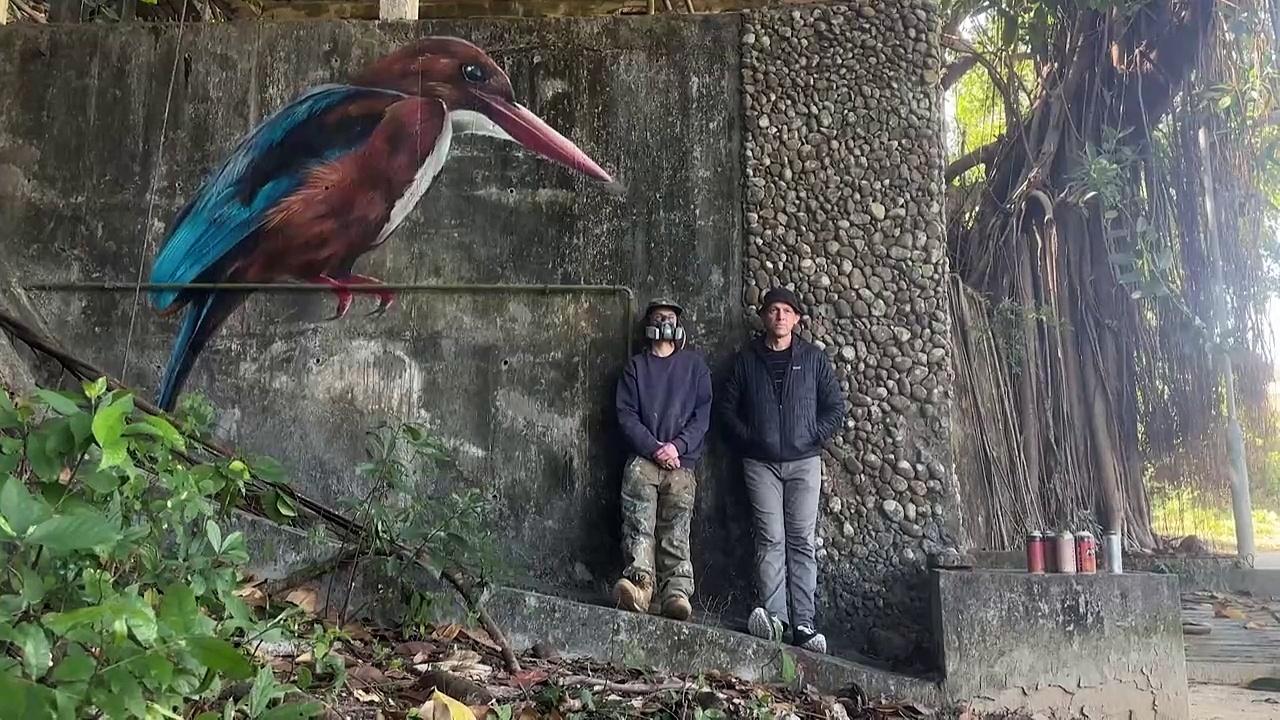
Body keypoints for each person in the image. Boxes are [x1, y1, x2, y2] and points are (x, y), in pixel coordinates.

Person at [718, 287, 844, 653]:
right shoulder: (746, 360)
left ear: (797, 319)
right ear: (764, 317)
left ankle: (804, 624)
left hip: (805, 463)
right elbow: (727, 410)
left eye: (787, 311)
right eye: (773, 310)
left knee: (802, 541)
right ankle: (776, 620)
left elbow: (835, 407)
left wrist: (812, 437)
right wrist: (752, 440)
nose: (780, 317)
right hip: (760, 465)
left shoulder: (814, 359)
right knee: (770, 538)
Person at [612, 298, 713, 621]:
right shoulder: (636, 368)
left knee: (676, 529)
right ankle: (641, 587)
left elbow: (702, 415)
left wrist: (677, 447)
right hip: (644, 461)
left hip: (681, 464)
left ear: (679, 326)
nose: (665, 323)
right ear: (649, 326)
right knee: (639, 524)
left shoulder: (695, 367)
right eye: (658, 318)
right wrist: (654, 447)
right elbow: (626, 415)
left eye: (670, 318)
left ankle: (677, 592)